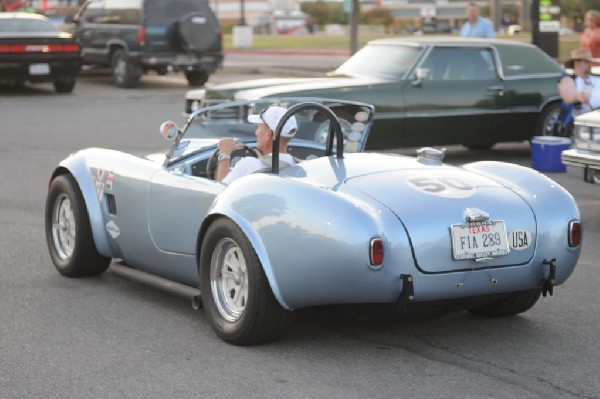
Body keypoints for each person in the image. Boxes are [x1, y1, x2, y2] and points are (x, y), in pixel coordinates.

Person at [216, 106, 298, 185]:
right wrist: (262, 159)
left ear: (268, 135)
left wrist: (225, 154)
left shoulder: (248, 165)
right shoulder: (298, 165)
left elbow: (219, 190)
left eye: (259, 127)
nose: (256, 132)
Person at [559, 48, 600, 116]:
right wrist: (576, 97)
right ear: (576, 63)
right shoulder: (569, 81)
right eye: (587, 62)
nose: (590, 64)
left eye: (590, 61)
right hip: (583, 120)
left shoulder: (597, 78)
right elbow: (567, 98)